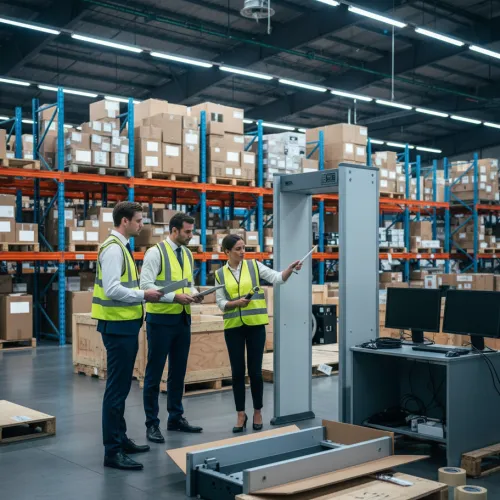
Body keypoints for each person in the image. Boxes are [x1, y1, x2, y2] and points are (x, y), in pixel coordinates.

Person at [92, 201, 164, 471]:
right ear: (125, 221)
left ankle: (120, 439)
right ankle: (112, 451)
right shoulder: (113, 250)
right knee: (116, 390)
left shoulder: (121, 247)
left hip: (125, 326)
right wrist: (144, 294)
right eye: (138, 220)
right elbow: (112, 289)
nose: (141, 225)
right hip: (117, 327)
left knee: (121, 388)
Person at [215, 234, 302, 433]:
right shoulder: (220, 274)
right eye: (238, 249)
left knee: (255, 372)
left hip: (255, 326)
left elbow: (277, 278)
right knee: (237, 372)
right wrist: (234, 304)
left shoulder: (254, 266)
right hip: (233, 327)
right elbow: (220, 302)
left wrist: (289, 270)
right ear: (227, 252)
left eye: (243, 247)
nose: (242, 251)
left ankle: (257, 412)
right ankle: (240, 414)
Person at [140, 212, 204, 444]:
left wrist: (196, 295)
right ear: (174, 230)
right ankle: (152, 424)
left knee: (178, 372)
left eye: (191, 231)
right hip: (160, 320)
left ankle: (175, 417)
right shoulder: (155, 253)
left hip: (183, 319)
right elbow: (146, 285)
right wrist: (175, 298)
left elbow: (189, 284)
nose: (191, 236)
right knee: (154, 374)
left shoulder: (187, 254)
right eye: (187, 232)